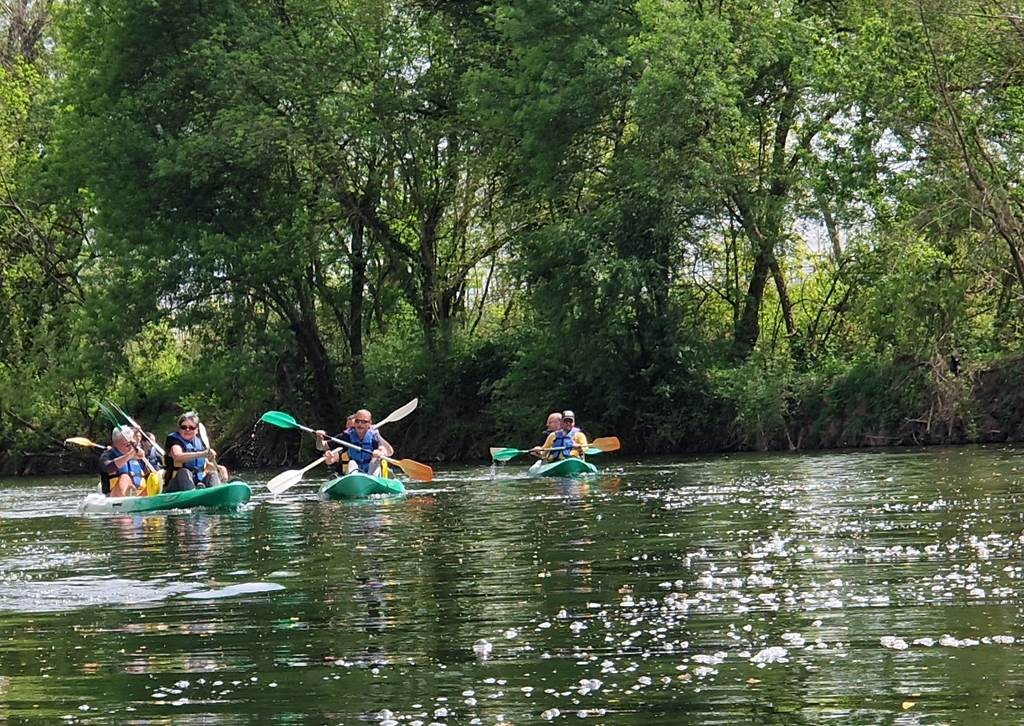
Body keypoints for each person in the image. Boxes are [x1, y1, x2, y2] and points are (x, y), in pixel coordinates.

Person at [317, 409, 394, 476]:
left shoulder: (375, 437)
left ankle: (372, 481)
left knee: (375, 461)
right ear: (354, 423)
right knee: (352, 462)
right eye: (357, 421)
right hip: (354, 473)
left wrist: (380, 452)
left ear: (369, 423)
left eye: (363, 422)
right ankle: (354, 480)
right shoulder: (346, 437)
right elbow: (322, 447)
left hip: (373, 473)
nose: (360, 424)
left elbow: (389, 452)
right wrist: (319, 438)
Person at [163, 411, 223, 492]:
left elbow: (204, 464)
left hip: (197, 482)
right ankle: (193, 494)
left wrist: (219, 468)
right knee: (184, 472)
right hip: (176, 484)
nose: (187, 430)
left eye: (191, 427)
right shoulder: (174, 440)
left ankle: (217, 493)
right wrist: (202, 453)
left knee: (213, 474)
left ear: (196, 430)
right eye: (184, 427)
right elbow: (177, 456)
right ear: (179, 428)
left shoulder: (199, 442)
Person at [99, 425, 146, 497]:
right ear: (116, 443)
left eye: (132, 444)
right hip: (114, 496)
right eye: (127, 445)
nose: (131, 447)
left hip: (139, 493)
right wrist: (129, 455)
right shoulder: (107, 455)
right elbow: (108, 467)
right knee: (125, 477)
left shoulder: (138, 456)